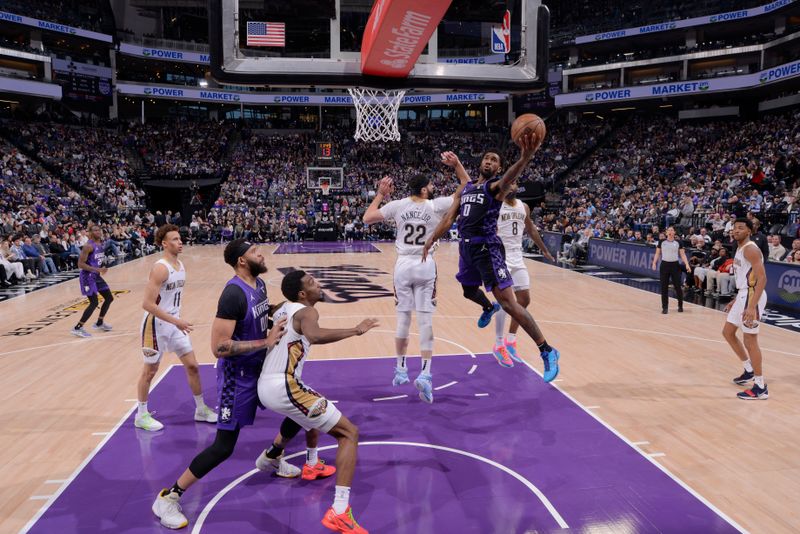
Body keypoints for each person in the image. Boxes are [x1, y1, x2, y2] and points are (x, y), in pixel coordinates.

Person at [152, 239, 318, 530]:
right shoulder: (233, 294)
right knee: (224, 447)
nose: (261, 254)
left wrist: (290, 310)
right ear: (242, 261)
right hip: (236, 379)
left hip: (260, 370)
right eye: (255, 252)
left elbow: (262, 316)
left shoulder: (260, 286)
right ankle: (169, 496)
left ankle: (271, 457)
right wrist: (264, 342)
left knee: (299, 409)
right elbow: (218, 347)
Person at [422, 132, 561, 383]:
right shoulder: (466, 189)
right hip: (466, 249)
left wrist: (525, 157)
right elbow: (449, 218)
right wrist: (432, 238)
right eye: (486, 158)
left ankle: (547, 350)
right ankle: (488, 306)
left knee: (511, 304)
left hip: (487, 249)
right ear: (480, 163)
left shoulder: (495, 187)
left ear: (498, 168)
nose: (489, 161)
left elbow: (510, 177)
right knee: (467, 290)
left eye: (494, 160)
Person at [258, 270, 379, 534]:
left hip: (268, 384)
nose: (319, 284)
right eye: (312, 283)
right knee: (349, 433)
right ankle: (339, 511)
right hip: (284, 385)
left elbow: (268, 311)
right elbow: (314, 335)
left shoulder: (283, 308)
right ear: (303, 294)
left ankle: (308, 463)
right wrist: (356, 330)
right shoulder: (307, 312)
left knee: (313, 409)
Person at [362, 151, 469, 402]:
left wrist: (380, 194)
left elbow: (367, 218)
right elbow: (465, 187)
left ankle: (400, 370)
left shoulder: (398, 205)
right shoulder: (434, 205)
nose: (433, 188)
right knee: (425, 322)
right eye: (430, 185)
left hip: (403, 265)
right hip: (425, 264)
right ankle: (425, 375)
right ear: (423, 190)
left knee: (402, 319)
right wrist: (457, 165)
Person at [135, 224, 217, 432]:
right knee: (150, 371)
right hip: (155, 325)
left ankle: (200, 409)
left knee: (193, 366)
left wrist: (176, 320)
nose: (180, 242)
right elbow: (147, 304)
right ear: (164, 243)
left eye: (180, 239)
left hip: (173, 323)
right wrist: (176, 321)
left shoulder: (180, 265)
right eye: (174, 239)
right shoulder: (161, 267)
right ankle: (141, 415)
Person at [492, 182, 555, 367]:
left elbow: (531, 229)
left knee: (525, 299)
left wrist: (543, 249)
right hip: (500, 257)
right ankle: (498, 344)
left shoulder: (524, 206)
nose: (512, 187)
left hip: (517, 256)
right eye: (509, 184)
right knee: (506, 303)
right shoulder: (496, 205)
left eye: (514, 184)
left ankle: (511, 340)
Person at [723, 218, 769, 400]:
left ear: (749, 231)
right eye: (734, 228)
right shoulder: (740, 248)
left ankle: (760, 387)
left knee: (750, 340)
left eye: (741, 228)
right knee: (728, 332)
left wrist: (751, 306)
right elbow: (746, 278)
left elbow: (762, 279)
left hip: (752, 297)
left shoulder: (750, 248)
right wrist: (736, 299)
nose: (736, 231)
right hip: (744, 294)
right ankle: (749, 370)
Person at [71, 224, 114, 337]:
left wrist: (102, 267)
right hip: (87, 277)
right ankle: (78, 327)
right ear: (90, 233)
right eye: (95, 230)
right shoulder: (88, 246)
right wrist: (97, 269)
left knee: (109, 298)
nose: (98, 232)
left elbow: (96, 260)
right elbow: (80, 264)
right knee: (94, 302)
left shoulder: (101, 244)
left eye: (99, 230)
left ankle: (99, 323)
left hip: (96, 275)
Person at [651, 227, 691, 314]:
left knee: (677, 286)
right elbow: (657, 253)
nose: (670, 231)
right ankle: (665, 307)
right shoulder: (662, 242)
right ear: (666, 232)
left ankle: (680, 305)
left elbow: (683, 254)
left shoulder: (678, 242)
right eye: (668, 230)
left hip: (675, 266)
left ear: (674, 232)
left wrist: (687, 264)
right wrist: (654, 263)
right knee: (664, 287)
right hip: (664, 265)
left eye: (672, 230)